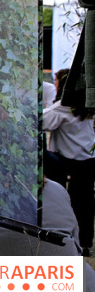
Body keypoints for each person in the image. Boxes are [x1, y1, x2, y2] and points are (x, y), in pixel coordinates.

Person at [43, 68, 95, 254]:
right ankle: (85, 243)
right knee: (85, 203)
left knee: (64, 198)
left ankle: (65, 237)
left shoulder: (62, 109)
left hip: (66, 161)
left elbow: (39, 122)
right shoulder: (87, 108)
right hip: (88, 161)